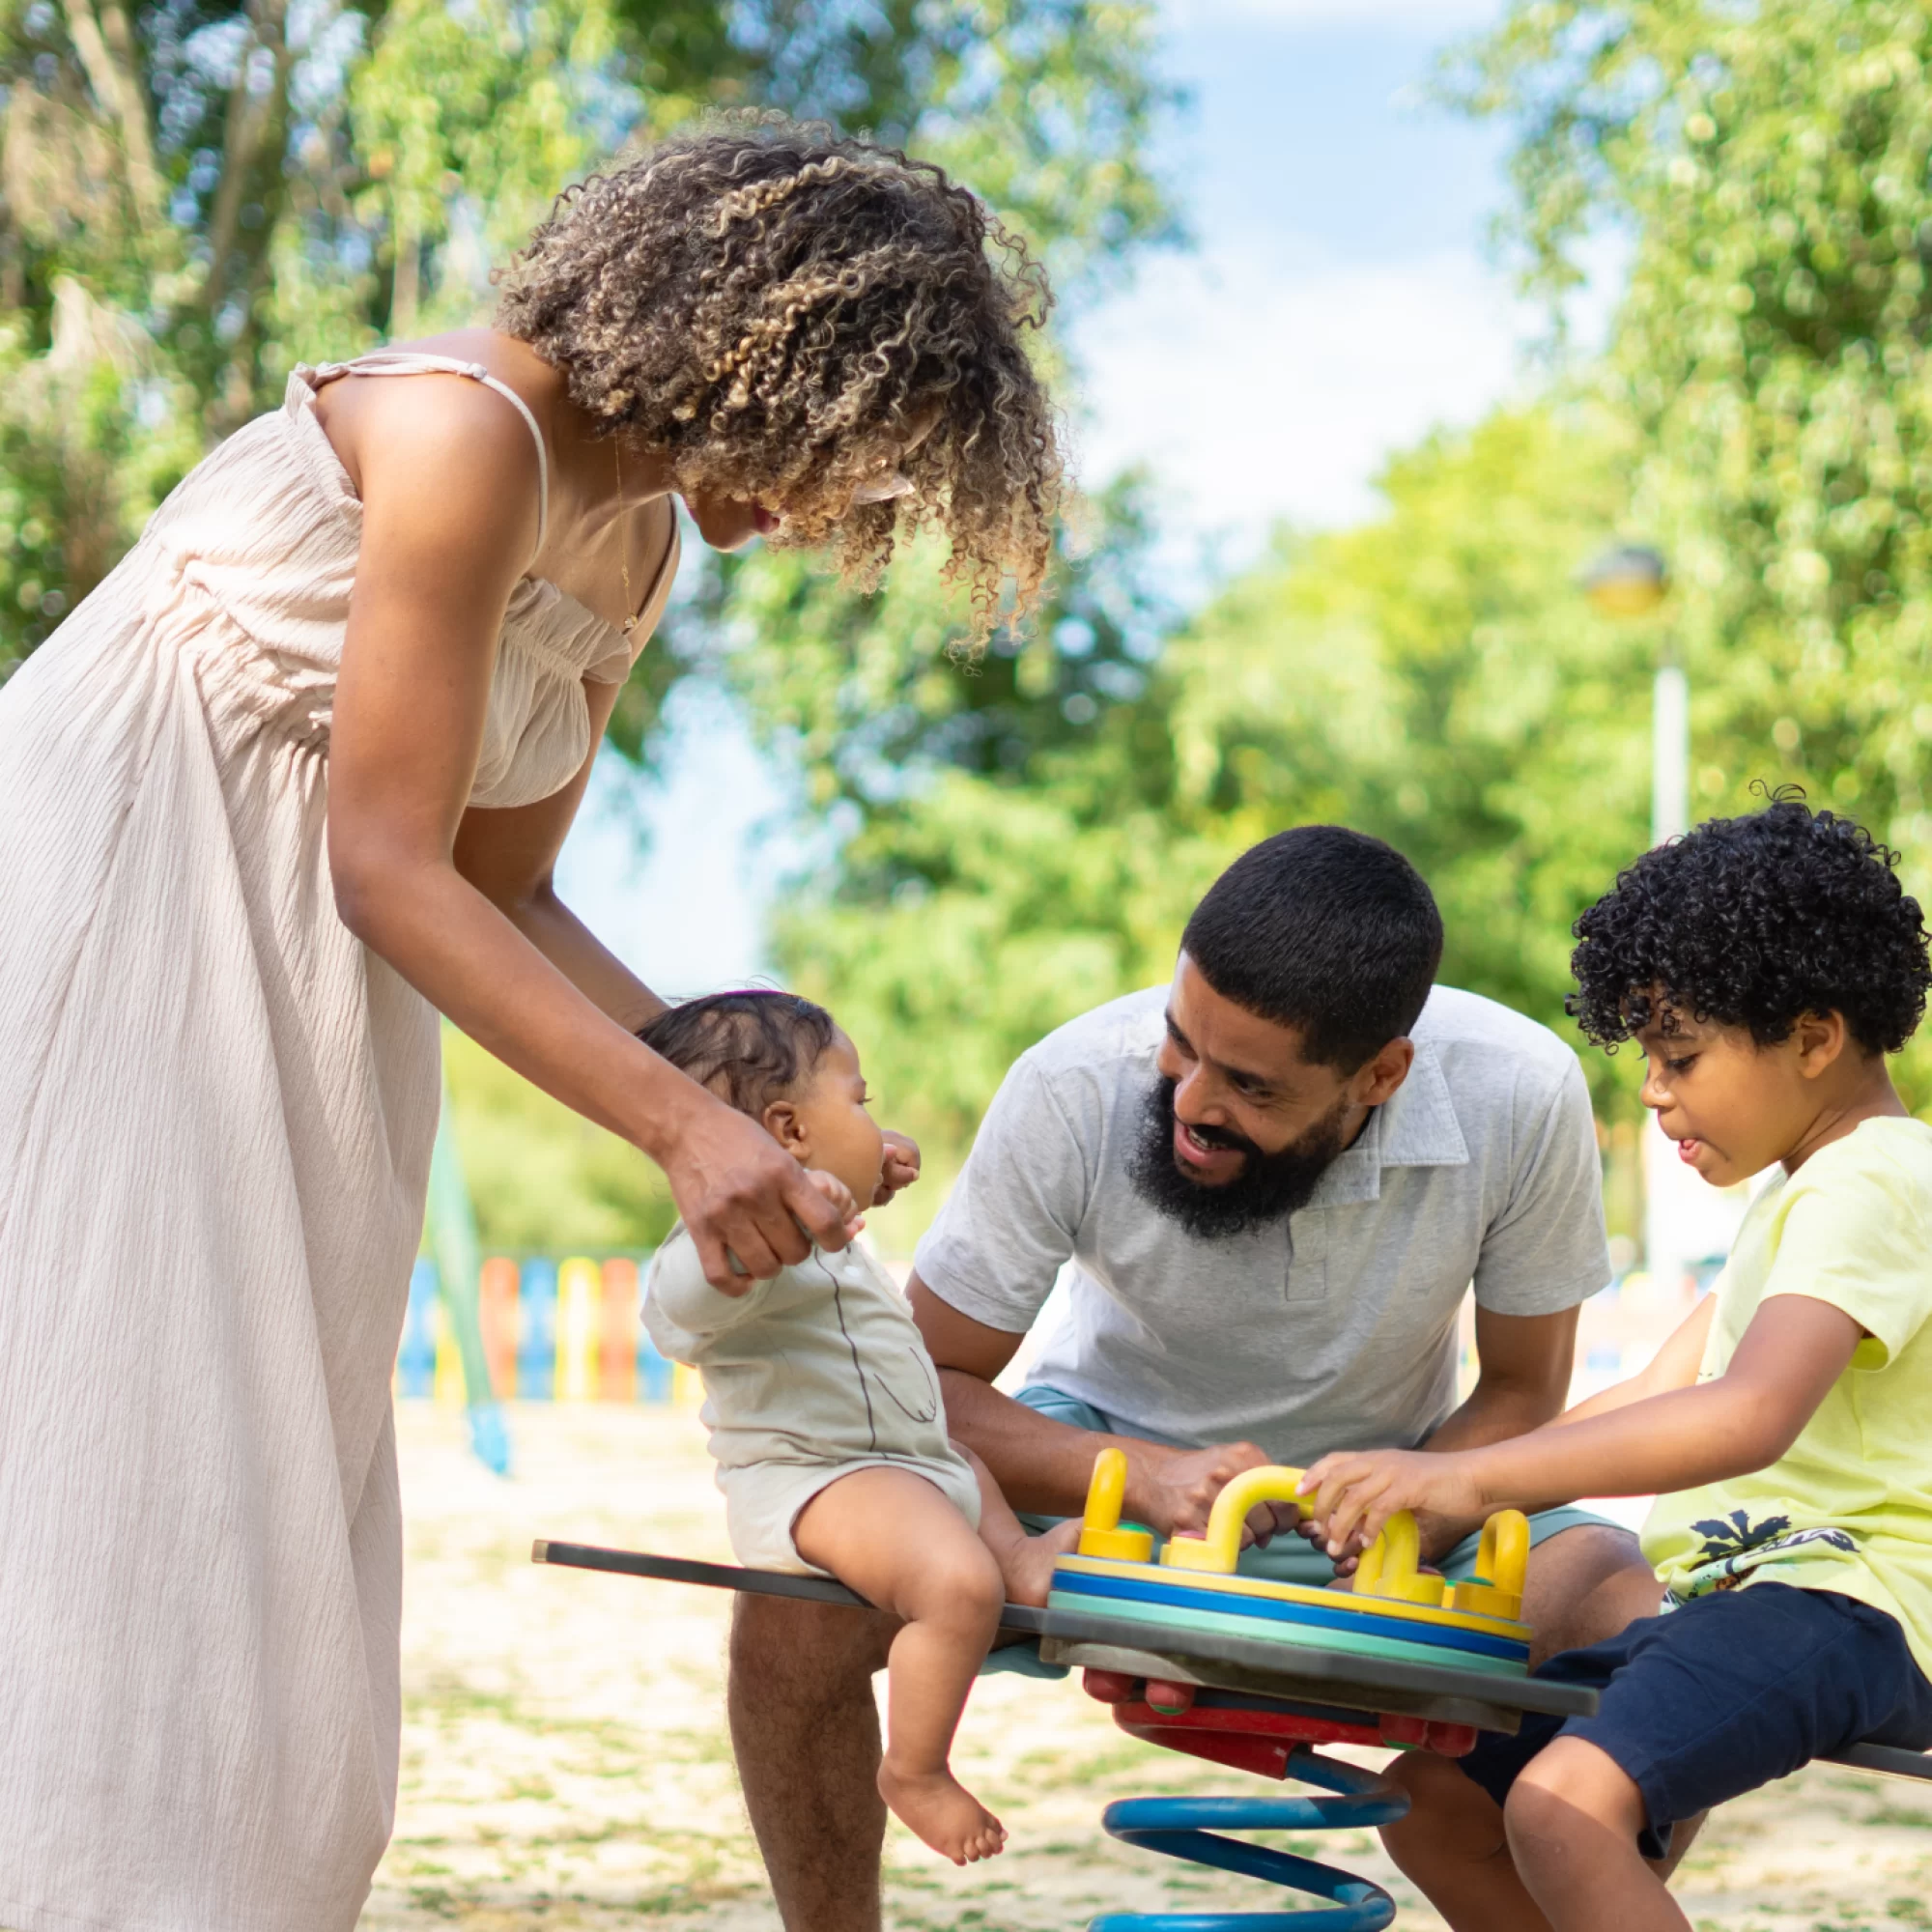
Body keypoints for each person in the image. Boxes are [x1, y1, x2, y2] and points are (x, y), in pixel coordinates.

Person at [0, 124, 1063, 1932]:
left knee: (273, 1503)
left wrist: (762, 1106)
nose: (820, 518)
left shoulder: (637, 546)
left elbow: (509, 893)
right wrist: (675, 1128)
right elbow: (391, 868)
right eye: (834, 461)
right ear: (758, 357)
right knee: (121, 1460)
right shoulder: (461, 430)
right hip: (119, 937)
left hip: (315, 993)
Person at [728, 825, 1665, 1932]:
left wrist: (1399, 1496)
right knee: (792, 1606)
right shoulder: (1074, 1081)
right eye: (1182, 1042)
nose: (1189, 1098)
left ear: (1380, 1073)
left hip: (1396, 1485)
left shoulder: (1519, 1091)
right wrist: (1136, 1474)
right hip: (1096, 1473)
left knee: (1617, 1613)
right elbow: (923, 1385)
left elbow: (1517, 1390)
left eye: (1249, 1085)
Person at [1298, 797, 1932, 1932]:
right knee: (1435, 1801)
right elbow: (1653, 1392)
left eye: (1678, 1053)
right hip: (1748, 1599)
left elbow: (1747, 1413)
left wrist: (1467, 1480)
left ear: (1812, 1035)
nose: (1649, 1088)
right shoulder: (1801, 1192)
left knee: (1561, 1804)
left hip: (1851, 1596)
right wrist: (1437, 1499)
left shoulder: (1871, 1178)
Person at [639, 993, 1077, 1866]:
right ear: (788, 1130)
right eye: (861, 1102)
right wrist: (732, 1247)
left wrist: (871, 1165)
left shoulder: (828, 1227)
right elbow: (677, 1307)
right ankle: (916, 1770)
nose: (876, 1123)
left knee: (965, 1464)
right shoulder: (724, 1246)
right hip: (819, 1481)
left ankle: (1018, 1557)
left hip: (908, 1462)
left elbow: (847, 1188)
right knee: (955, 1588)